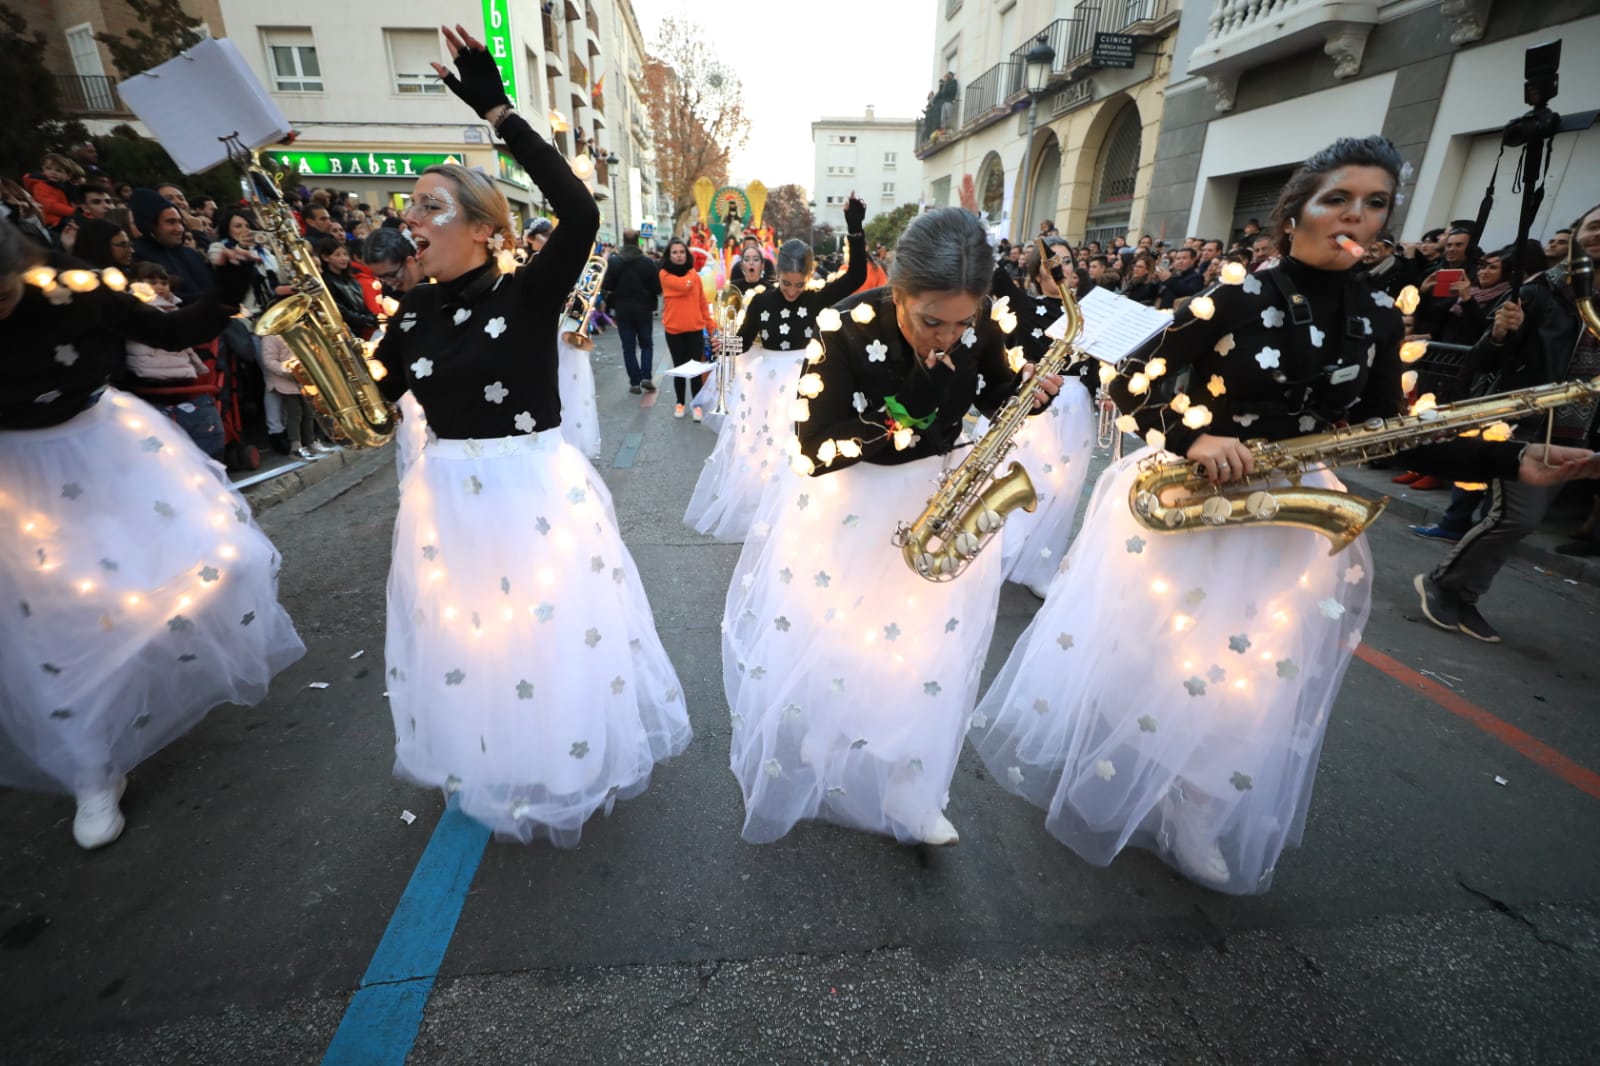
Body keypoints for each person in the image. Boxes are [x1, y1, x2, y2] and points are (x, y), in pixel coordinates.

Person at [970, 137, 1599, 894]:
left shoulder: (1376, 311)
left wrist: (1511, 458)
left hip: (1291, 518)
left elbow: (1384, 429)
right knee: (1149, 659)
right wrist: (1195, 434)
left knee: (1252, 679)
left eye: (1374, 205)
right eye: (1339, 199)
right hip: (1188, 504)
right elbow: (1127, 376)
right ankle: (1124, 765)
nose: (1356, 218)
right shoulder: (1232, 296)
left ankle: (1196, 805)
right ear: (1296, 209)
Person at [370, 25, 690, 843]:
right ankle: (488, 755)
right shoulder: (410, 310)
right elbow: (376, 408)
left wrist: (499, 111)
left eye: (431, 207)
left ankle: (560, 757)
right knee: (466, 639)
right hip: (446, 500)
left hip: (532, 492)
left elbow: (579, 208)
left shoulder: (527, 290)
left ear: (487, 229)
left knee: (547, 634)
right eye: (410, 207)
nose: (413, 221)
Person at [721, 207, 1062, 847]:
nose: (949, 337)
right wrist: (904, 417)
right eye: (931, 320)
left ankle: (912, 785)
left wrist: (1026, 391)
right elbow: (813, 445)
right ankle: (829, 737)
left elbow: (989, 393)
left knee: (928, 649)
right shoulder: (844, 325)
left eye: (963, 322)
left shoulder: (977, 323)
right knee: (844, 636)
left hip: (943, 495)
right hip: (857, 503)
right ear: (898, 287)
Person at [0, 218, 304, 849]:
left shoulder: (73, 288)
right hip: (16, 484)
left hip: (107, 455)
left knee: (224, 564)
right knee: (54, 628)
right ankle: (92, 769)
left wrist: (228, 280)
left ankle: (150, 682)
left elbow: (173, 330)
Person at [1415, 202, 1600, 640]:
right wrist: (1500, 332)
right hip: (1527, 425)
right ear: (1576, 235)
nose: (1599, 235)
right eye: (1593, 226)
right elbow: (1481, 358)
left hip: (1577, 430)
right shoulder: (1540, 293)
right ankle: (1445, 585)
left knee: (1519, 522)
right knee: (1515, 517)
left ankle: (1464, 595)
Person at [684, 198, 867, 541]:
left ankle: (796, 504)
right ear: (778, 274)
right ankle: (762, 506)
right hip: (766, 384)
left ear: (808, 278)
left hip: (805, 381)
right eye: (786, 283)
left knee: (799, 443)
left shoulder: (816, 298)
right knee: (764, 445)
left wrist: (855, 228)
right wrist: (726, 346)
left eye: (799, 284)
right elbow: (744, 338)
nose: (793, 291)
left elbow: (857, 275)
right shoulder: (763, 302)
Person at [985, 235, 1099, 598]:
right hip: (1033, 404)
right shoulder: (1025, 305)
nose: (1061, 268)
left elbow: (1097, 367)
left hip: (1077, 408)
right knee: (1018, 484)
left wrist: (1105, 390)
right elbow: (993, 271)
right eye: (1052, 263)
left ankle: (1041, 566)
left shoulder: (1090, 312)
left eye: (1066, 261)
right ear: (1036, 273)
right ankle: (992, 562)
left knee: (1061, 493)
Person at [659, 237, 713, 420]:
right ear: (669, 255)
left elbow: (702, 303)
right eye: (675, 252)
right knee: (680, 369)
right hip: (674, 330)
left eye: (682, 252)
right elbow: (683, 286)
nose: (679, 255)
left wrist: (711, 326)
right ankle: (680, 403)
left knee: (695, 370)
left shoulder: (695, 277)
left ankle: (696, 405)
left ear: (686, 254)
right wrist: (692, 274)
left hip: (695, 329)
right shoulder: (664, 274)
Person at [602, 227, 661, 394]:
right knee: (646, 344)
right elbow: (657, 288)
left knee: (628, 347)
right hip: (644, 309)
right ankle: (646, 377)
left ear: (623, 240)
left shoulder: (614, 261)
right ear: (637, 241)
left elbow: (607, 285)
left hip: (622, 309)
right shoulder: (648, 262)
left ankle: (635, 383)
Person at [315, 235, 378, 339]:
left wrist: (374, 318)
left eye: (345, 254)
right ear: (325, 257)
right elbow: (342, 312)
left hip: (364, 326)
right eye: (338, 255)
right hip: (350, 332)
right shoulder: (327, 281)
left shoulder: (352, 279)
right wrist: (368, 320)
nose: (343, 258)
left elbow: (363, 305)